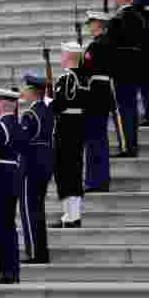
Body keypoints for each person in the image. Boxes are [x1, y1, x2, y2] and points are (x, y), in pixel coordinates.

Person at [51, 42, 88, 228]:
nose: (61, 57)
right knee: (72, 169)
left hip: (66, 127)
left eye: (62, 53)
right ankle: (72, 214)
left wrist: (49, 103)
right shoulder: (84, 77)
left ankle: (71, 216)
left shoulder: (67, 78)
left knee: (65, 171)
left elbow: (60, 104)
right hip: (78, 125)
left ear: (68, 56)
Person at [106, 0, 145, 157]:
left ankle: (127, 146)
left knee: (123, 110)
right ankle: (132, 144)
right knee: (131, 108)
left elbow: (109, 46)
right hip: (135, 68)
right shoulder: (139, 17)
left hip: (120, 70)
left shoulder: (117, 21)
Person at [0, 88, 23, 284]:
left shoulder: (0, 128)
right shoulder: (17, 125)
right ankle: (13, 269)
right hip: (13, 176)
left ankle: (5, 270)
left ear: (2, 104)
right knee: (8, 226)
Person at [18, 73, 53, 263]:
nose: (24, 92)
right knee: (38, 209)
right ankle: (42, 250)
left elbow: (22, 142)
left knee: (29, 209)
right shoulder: (48, 111)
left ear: (33, 92)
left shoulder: (30, 115)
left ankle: (34, 252)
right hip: (45, 162)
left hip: (31, 165)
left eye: (26, 89)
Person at [83, 11, 115, 193]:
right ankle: (100, 179)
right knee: (99, 139)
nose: (89, 25)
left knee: (94, 140)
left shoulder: (97, 45)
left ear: (100, 24)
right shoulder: (105, 43)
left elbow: (86, 69)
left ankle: (96, 180)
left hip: (95, 94)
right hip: (102, 93)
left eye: (92, 22)